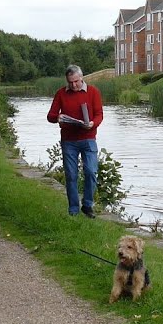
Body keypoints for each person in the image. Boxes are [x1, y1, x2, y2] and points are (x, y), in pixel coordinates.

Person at [46, 65, 104, 218]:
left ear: (82, 78)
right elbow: (50, 115)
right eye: (70, 82)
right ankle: (73, 210)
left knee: (91, 171)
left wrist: (93, 123)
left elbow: (99, 114)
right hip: (69, 140)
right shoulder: (61, 93)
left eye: (76, 81)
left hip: (88, 138)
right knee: (71, 175)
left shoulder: (93, 92)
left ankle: (87, 204)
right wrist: (57, 118)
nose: (73, 85)